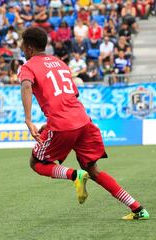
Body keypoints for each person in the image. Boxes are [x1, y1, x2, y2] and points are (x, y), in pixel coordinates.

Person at [18, 26, 149, 220]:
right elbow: (70, 95)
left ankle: (73, 175)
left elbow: (26, 85)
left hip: (62, 124)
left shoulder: (28, 66)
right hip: (82, 120)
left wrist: (28, 119)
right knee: (93, 170)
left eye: (22, 44)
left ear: (28, 47)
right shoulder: (60, 63)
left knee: (36, 162)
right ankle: (138, 209)